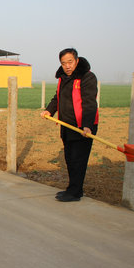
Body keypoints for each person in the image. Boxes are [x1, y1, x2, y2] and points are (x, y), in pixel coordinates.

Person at [40, 48, 98, 202]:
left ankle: (74, 192)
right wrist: (49, 111)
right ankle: (74, 189)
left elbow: (90, 103)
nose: (67, 66)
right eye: (64, 63)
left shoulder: (87, 77)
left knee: (78, 160)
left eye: (70, 62)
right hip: (67, 125)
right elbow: (57, 98)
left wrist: (87, 126)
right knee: (70, 159)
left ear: (77, 61)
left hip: (83, 127)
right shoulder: (63, 79)